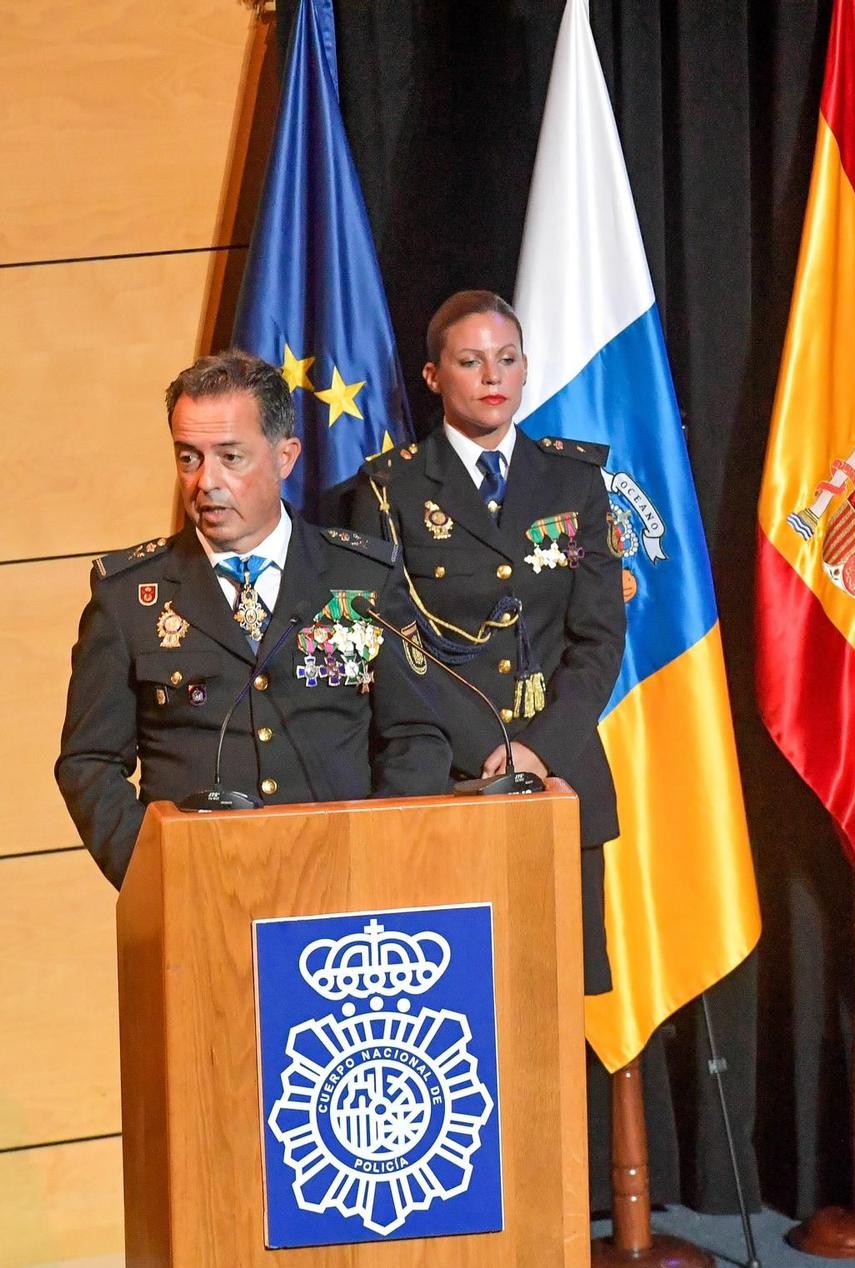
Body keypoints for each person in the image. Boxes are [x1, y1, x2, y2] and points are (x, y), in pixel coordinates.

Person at [57, 349, 451, 887]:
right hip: (200, 894)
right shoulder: (129, 597)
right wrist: (153, 874)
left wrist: (377, 856)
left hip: (346, 887)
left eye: (230, 457)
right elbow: (89, 762)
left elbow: (418, 736)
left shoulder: (363, 577)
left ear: (285, 457)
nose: (206, 482)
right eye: (188, 457)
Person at [335, 290, 625, 993]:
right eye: (471, 361)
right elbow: (381, 641)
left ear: (526, 369)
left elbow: (597, 638)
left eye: (507, 359)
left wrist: (536, 749)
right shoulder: (387, 490)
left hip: (556, 775)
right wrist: (488, 753)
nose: (493, 376)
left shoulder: (575, 479)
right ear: (434, 377)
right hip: (440, 777)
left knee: (556, 1006)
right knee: (450, 1000)